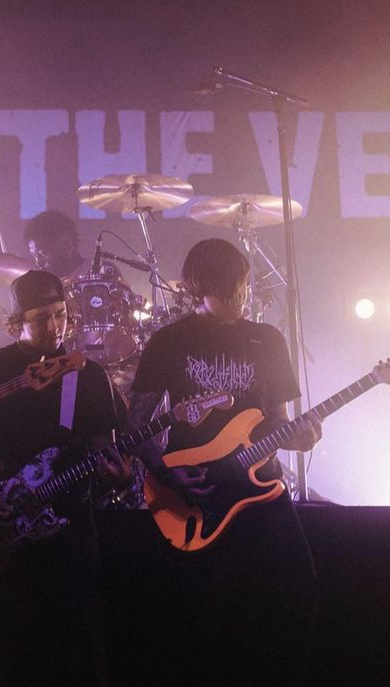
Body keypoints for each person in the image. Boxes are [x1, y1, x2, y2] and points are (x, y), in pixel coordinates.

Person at [127, 237, 321, 686]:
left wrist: (302, 439)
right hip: (198, 492)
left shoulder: (267, 339)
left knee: (300, 594)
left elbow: (279, 422)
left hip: (261, 486)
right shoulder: (169, 341)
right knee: (205, 617)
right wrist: (165, 472)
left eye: (245, 283)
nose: (243, 294)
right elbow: (138, 426)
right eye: (234, 285)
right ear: (202, 287)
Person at [0, 269, 131, 687]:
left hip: (73, 530)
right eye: (41, 318)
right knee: (15, 654)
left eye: (61, 315)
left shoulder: (88, 375)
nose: (54, 327)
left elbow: (105, 448)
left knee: (80, 652)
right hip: (6, 528)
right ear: (16, 323)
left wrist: (118, 477)